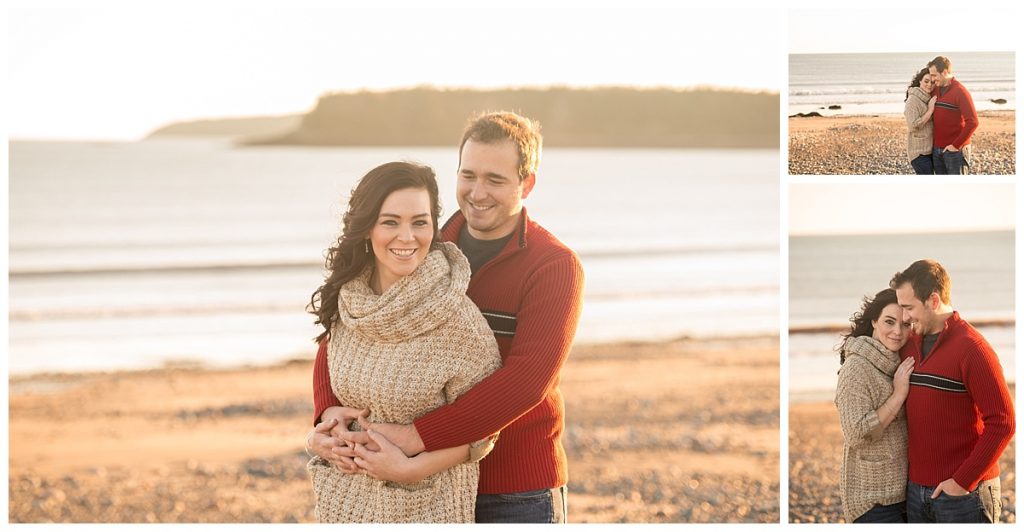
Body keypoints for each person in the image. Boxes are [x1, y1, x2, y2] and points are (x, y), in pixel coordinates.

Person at [310, 112, 585, 523]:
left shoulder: (553, 266)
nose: (477, 192)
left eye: (495, 179)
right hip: (425, 486)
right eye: (468, 175)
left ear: (527, 184)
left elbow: (527, 381)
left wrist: (417, 438)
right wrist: (328, 410)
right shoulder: (424, 246)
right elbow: (357, 324)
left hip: (513, 487)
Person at [304, 161, 502, 522]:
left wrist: (411, 468)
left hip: (427, 509)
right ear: (367, 228)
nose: (407, 237)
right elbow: (336, 387)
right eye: (390, 222)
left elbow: (483, 433)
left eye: (420, 222)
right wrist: (325, 432)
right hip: (346, 506)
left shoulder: (458, 321)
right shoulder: (348, 301)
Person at [891, 259, 1014, 523]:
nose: (904, 317)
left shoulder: (973, 349)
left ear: (933, 301)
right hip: (915, 492)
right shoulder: (909, 344)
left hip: (964, 496)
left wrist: (962, 482)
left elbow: (1004, 422)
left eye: (909, 307)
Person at [835, 288, 915, 523]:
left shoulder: (897, 362)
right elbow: (856, 433)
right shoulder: (856, 368)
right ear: (873, 321)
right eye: (889, 322)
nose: (897, 332)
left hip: (904, 495)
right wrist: (898, 395)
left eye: (905, 324)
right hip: (871, 501)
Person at [927, 56, 978, 175]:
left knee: (958, 189)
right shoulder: (935, 90)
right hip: (936, 151)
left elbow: (973, 122)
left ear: (944, 72)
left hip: (956, 151)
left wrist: (955, 145)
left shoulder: (960, 91)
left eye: (934, 75)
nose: (932, 79)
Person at [904, 67, 937, 174]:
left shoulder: (927, 98)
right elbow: (913, 125)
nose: (929, 85)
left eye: (933, 82)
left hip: (930, 151)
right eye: (926, 81)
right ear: (920, 81)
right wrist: (930, 110)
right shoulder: (913, 100)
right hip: (918, 153)